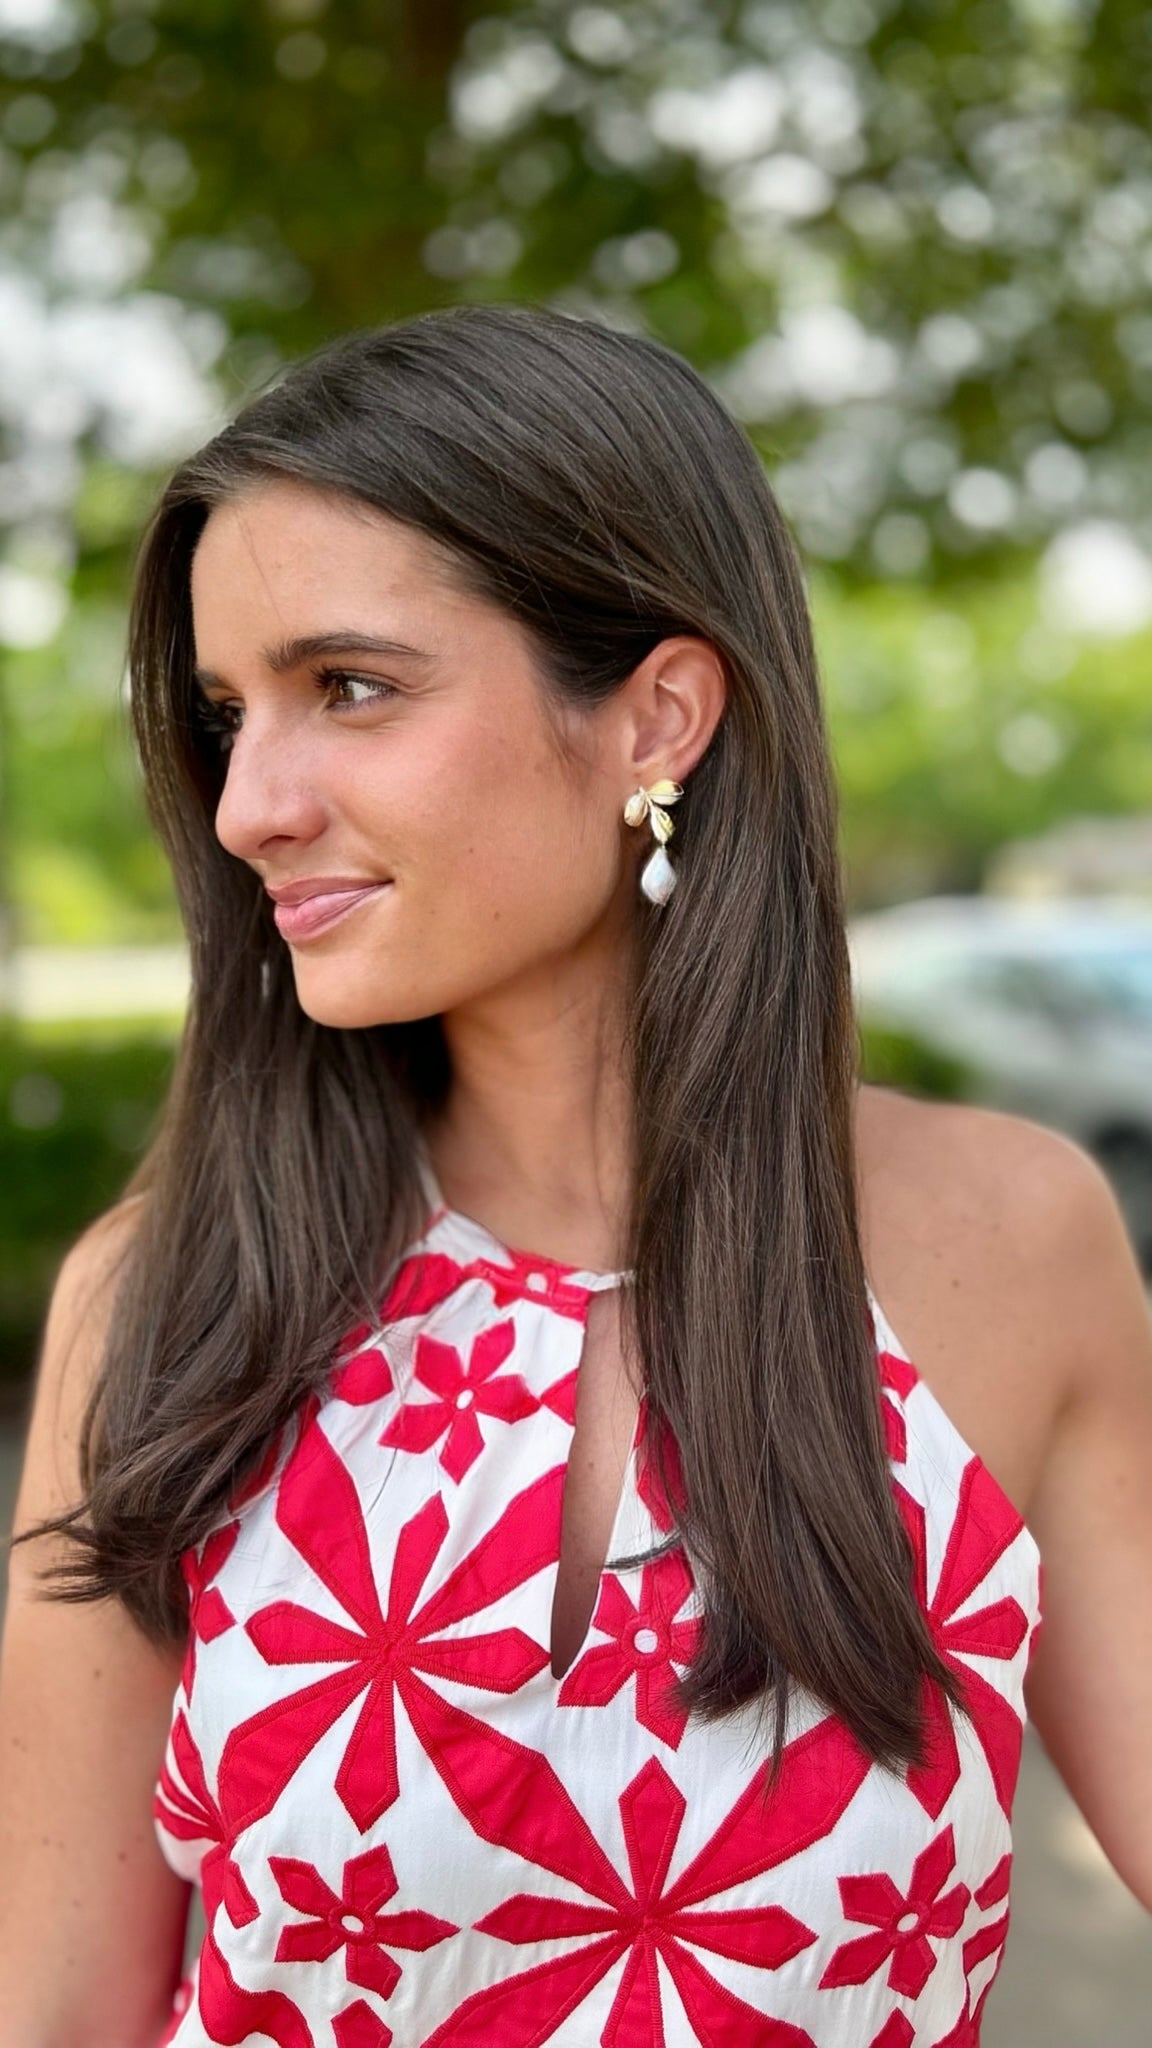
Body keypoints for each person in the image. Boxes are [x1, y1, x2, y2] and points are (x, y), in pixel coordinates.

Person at [0, 303, 1148, 2048]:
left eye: (350, 687)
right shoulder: (168, 1298)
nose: (246, 807)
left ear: (657, 718)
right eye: (230, 714)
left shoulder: (1007, 1243)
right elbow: (51, 2012)